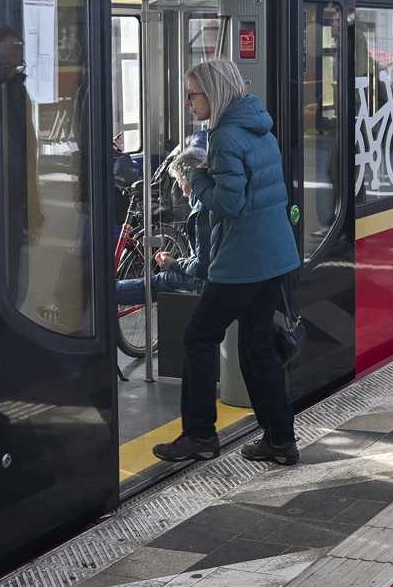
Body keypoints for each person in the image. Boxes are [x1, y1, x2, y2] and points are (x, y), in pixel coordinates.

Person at [153, 60, 301, 465]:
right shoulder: (259, 127)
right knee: (256, 348)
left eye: (192, 94)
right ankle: (280, 439)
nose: (188, 102)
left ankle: (200, 435)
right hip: (275, 254)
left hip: (243, 258)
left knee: (198, 337)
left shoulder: (224, 137)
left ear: (214, 94)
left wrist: (193, 179)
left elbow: (230, 203)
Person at [114, 132, 211, 306]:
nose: (180, 188)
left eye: (180, 181)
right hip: (217, 277)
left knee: (163, 280)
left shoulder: (201, 212)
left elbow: (201, 268)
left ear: (190, 178)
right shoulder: (208, 201)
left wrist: (173, 263)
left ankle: (110, 293)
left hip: (208, 283)